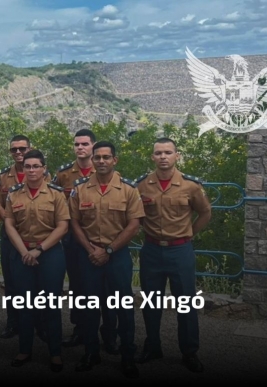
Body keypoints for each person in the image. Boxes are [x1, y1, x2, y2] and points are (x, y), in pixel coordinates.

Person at [135, 138, 211, 373]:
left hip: (180, 250)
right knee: (150, 302)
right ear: (152, 157)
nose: (163, 157)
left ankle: (189, 352)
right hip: (152, 250)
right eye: (158, 153)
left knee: (186, 303)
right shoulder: (142, 185)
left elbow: (205, 213)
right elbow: (134, 216)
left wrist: (188, 235)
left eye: (168, 152)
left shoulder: (190, 186)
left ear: (177, 155)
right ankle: (153, 346)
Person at [69, 141, 144, 378]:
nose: (101, 161)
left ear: (115, 160)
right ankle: (91, 353)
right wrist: (91, 250)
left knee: (123, 307)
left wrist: (108, 250)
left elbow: (134, 225)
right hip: (89, 255)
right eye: (97, 157)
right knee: (90, 307)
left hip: (117, 255)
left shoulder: (128, 190)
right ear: (92, 160)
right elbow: (75, 223)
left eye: (106, 157)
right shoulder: (80, 189)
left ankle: (127, 355)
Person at [3, 150, 69, 371]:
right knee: (24, 305)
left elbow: (62, 226)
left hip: (49, 254)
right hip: (22, 254)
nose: (31, 170)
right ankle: (24, 350)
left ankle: (55, 353)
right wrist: (24, 251)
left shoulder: (56, 194)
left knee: (51, 305)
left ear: (43, 169)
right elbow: (9, 224)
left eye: (35, 166)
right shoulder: (13, 194)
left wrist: (39, 250)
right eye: (27, 166)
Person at [57, 129, 117, 353]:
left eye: (85, 144)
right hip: (74, 239)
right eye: (76, 144)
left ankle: (110, 333)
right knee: (78, 287)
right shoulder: (63, 175)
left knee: (108, 289)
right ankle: (80, 329)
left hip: (102, 239)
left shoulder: (103, 169)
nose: (80, 147)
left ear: (93, 147)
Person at [0, 135, 51, 341]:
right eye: (14, 150)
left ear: (30, 148)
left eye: (22, 148)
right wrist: (10, 221)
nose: (18, 152)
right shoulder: (3, 177)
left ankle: (40, 324)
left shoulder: (45, 174)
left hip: (37, 237)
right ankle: (13, 322)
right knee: (12, 282)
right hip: (11, 235)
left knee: (39, 283)